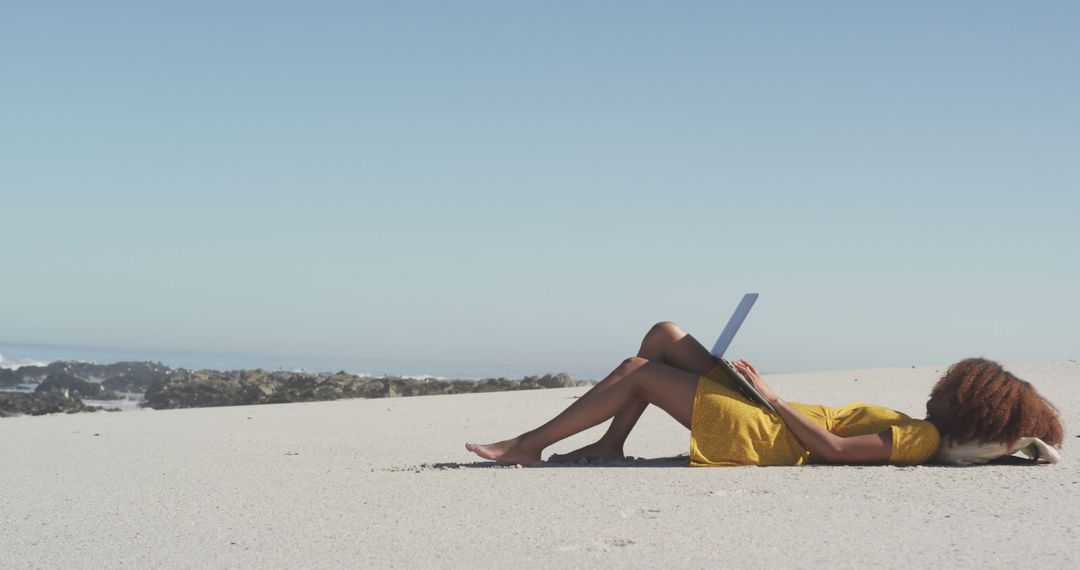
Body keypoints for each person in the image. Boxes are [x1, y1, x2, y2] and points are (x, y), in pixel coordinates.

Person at [465, 321, 1063, 467]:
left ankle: (526, 445)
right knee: (663, 336)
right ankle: (610, 442)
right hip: (767, 412)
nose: (938, 393)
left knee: (640, 370)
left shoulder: (923, 436)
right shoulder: (927, 429)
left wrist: (769, 396)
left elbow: (830, 450)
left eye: (951, 391)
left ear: (971, 408)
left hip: (762, 432)